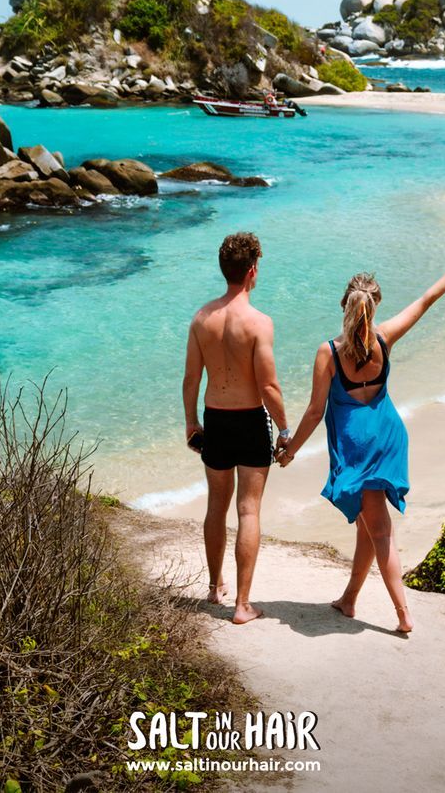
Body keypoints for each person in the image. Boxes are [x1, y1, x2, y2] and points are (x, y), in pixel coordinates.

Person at [277, 233, 445, 634]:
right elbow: (425, 301)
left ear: (344, 305)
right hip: (388, 435)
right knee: (369, 522)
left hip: (358, 446)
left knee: (380, 528)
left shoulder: (329, 352)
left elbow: (316, 411)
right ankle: (350, 599)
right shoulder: (384, 338)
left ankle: (403, 614)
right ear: (376, 305)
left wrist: (290, 451)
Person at [183, 232, 290, 624]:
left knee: (216, 505)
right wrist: (284, 428)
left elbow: (191, 379)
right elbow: (268, 386)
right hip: (249, 420)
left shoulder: (201, 319)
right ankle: (242, 605)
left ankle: (214, 588)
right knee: (249, 510)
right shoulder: (259, 323)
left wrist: (191, 422)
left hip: (215, 418)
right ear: (252, 272)